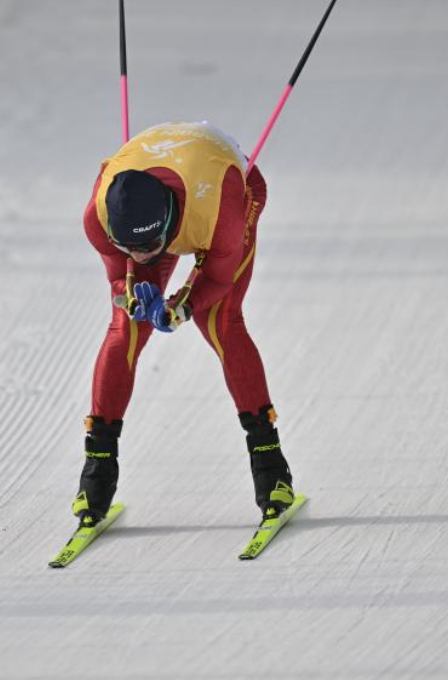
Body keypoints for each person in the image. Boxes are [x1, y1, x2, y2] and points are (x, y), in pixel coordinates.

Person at [73, 120, 295, 528]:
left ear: (167, 224)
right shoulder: (98, 216)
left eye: (149, 247)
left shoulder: (218, 212)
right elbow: (117, 279)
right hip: (168, 183)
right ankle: (97, 471)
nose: (140, 257)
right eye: (128, 248)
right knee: (126, 326)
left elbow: (216, 279)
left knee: (221, 320)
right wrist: (132, 295)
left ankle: (271, 467)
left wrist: (183, 306)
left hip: (221, 185)